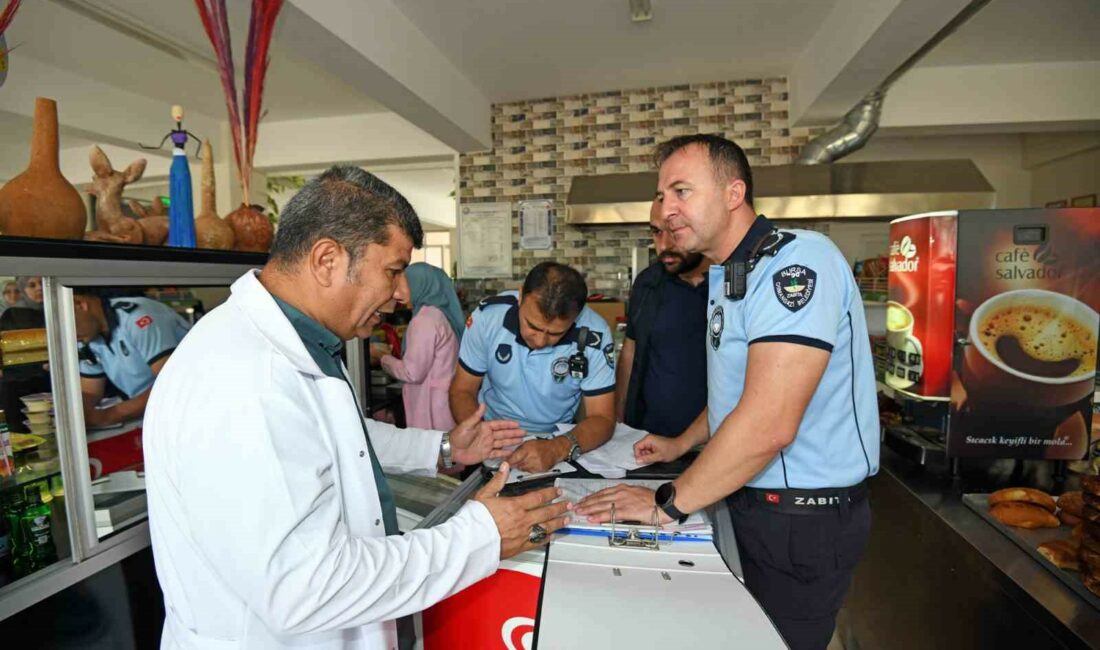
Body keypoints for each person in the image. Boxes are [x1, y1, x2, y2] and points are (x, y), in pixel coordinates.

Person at [143, 166, 570, 649]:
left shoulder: (302, 342)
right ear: (327, 259)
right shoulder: (246, 378)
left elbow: (341, 433)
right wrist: (480, 535)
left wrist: (444, 444)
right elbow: (304, 587)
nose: (395, 295)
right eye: (391, 271)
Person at [577, 134, 879, 650]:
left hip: (802, 516)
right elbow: (737, 394)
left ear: (734, 193)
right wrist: (679, 445)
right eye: (661, 194)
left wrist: (666, 506)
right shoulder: (729, 275)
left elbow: (768, 421)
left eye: (681, 192)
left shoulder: (795, 264)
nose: (665, 210)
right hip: (751, 502)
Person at [450, 261, 616, 473]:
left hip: (556, 442)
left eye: (555, 333)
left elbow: (602, 417)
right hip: (492, 436)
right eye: (532, 326)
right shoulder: (488, 318)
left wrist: (557, 448)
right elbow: (462, 390)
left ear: (578, 316)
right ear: (520, 296)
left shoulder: (595, 335)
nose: (539, 341)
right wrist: (479, 434)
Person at [616, 199, 710, 438]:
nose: (663, 246)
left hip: (716, 443)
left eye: (675, 232)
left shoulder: (735, 284)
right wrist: (618, 422)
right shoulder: (648, 283)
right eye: (657, 232)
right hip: (650, 440)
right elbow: (630, 352)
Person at [74, 290, 191, 428]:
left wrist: (108, 416)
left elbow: (170, 385)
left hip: (187, 408)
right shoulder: (86, 336)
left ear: (80, 304)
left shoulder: (137, 317)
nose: (69, 334)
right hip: (152, 414)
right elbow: (90, 391)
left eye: (66, 323)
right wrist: (77, 415)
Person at [373, 262, 464, 430]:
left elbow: (412, 373)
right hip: (444, 404)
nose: (399, 292)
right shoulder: (440, 315)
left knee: (433, 452)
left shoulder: (424, 320)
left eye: (405, 284)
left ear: (420, 284)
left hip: (431, 408)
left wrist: (382, 357)